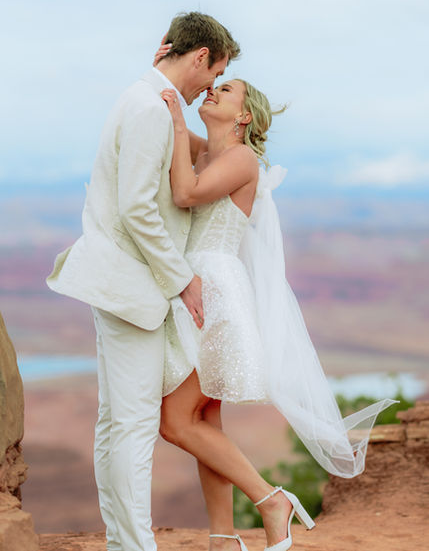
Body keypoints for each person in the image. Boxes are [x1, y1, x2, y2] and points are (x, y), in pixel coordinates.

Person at [156, 68, 397, 551]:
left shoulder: (243, 159)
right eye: (213, 85)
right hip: (196, 286)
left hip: (214, 293)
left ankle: (271, 501)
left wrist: (181, 127)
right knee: (204, 420)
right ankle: (223, 536)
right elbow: (165, 132)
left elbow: (184, 193)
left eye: (223, 89)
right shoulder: (211, 151)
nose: (212, 91)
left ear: (244, 116)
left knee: (175, 421)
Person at [46, 12, 240, 551]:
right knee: (131, 427)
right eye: (214, 72)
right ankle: (135, 546)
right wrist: (184, 282)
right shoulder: (151, 109)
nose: (209, 85)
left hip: (119, 284)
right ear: (201, 57)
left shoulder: (145, 99)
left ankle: (121, 542)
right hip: (132, 289)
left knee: (115, 424)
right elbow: (137, 210)